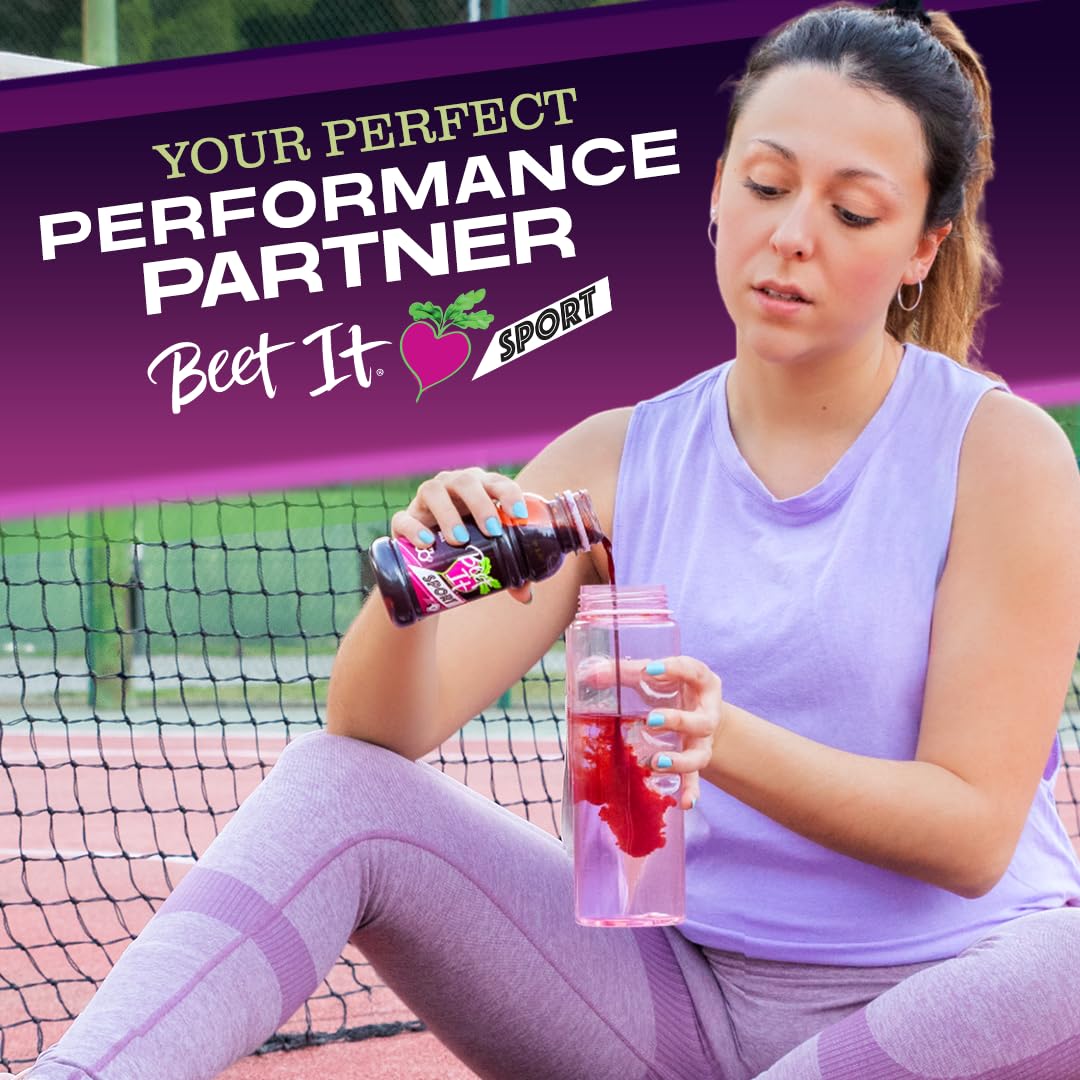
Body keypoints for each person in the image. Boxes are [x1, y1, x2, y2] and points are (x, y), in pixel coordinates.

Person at [9, 1, 1080, 1078]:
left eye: (853, 212)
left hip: (946, 1008)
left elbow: (972, 832)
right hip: (673, 1009)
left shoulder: (999, 454)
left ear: (922, 248)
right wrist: (414, 595)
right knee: (335, 788)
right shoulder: (610, 463)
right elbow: (377, 733)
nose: (792, 232)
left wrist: (719, 737)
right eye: (765, 185)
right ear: (716, 194)